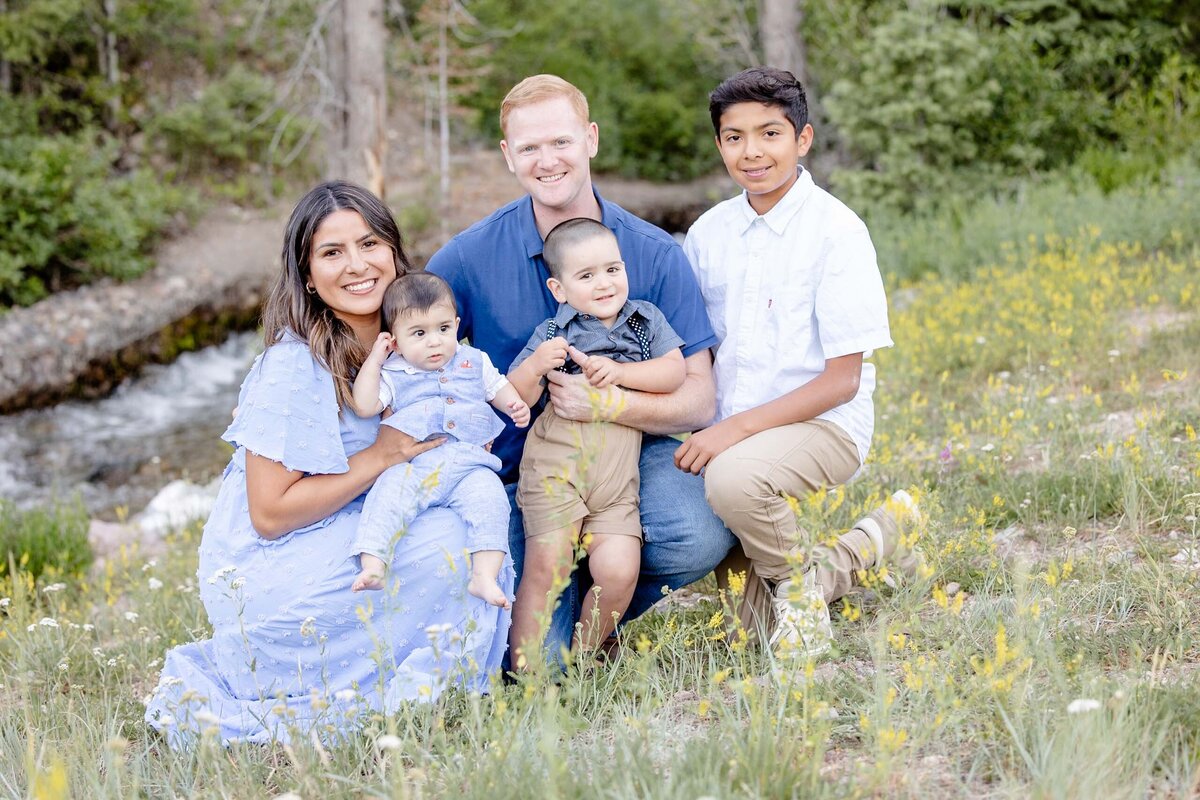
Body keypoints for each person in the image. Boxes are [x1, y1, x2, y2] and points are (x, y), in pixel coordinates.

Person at [144, 181, 512, 746]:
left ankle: (426, 680)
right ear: (308, 276)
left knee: (478, 515)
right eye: (332, 252)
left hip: (350, 520)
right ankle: (395, 690)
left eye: (369, 244)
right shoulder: (295, 365)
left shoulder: (419, 343)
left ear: (394, 252)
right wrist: (382, 455)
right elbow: (269, 513)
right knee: (450, 538)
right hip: (272, 565)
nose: (357, 265)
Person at [426, 74, 735, 662]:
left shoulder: (651, 253)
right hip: (521, 473)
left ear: (591, 138)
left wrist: (609, 403)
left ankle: (602, 606)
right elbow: (411, 339)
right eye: (529, 148)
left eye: (561, 141)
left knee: (698, 529)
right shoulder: (468, 257)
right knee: (536, 662)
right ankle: (559, 631)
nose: (548, 161)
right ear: (507, 156)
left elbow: (699, 399)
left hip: (630, 455)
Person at [677, 67, 920, 659]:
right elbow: (698, 353)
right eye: (734, 137)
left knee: (734, 480)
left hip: (824, 425)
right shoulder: (708, 234)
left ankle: (801, 597)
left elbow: (843, 380)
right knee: (748, 632)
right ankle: (879, 537)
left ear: (802, 139)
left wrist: (731, 432)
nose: (752, 151)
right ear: (719, 145)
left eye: (770, 133)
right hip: (735, 435)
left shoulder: (837, 232)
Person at [505, 218, 687, 664]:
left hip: (616, 479)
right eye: (586, 276)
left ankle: (583, 661)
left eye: (612, 270)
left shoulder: (644, 321)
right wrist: (535, 368)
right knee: (547, 567)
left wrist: (622, 375)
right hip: (557, 468)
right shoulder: (553, 333)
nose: (604, 283)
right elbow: (516, 399)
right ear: (559, 288)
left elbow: (674, 372)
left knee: (619, 569)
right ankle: (530, 679)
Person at [347, 272, 529, 604]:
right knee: (387, 497)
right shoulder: (393, 371)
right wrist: (375, 359)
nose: (434, 341)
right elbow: (364, 405)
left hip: (470, 465)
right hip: (416, 466)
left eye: (443, 329)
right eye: (419, 333)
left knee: (491, 501)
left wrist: (514, 403)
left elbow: (496, 386)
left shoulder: (474, 361)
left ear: (457, 325)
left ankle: (484, 575)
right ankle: (373, 562)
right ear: (396, 342)